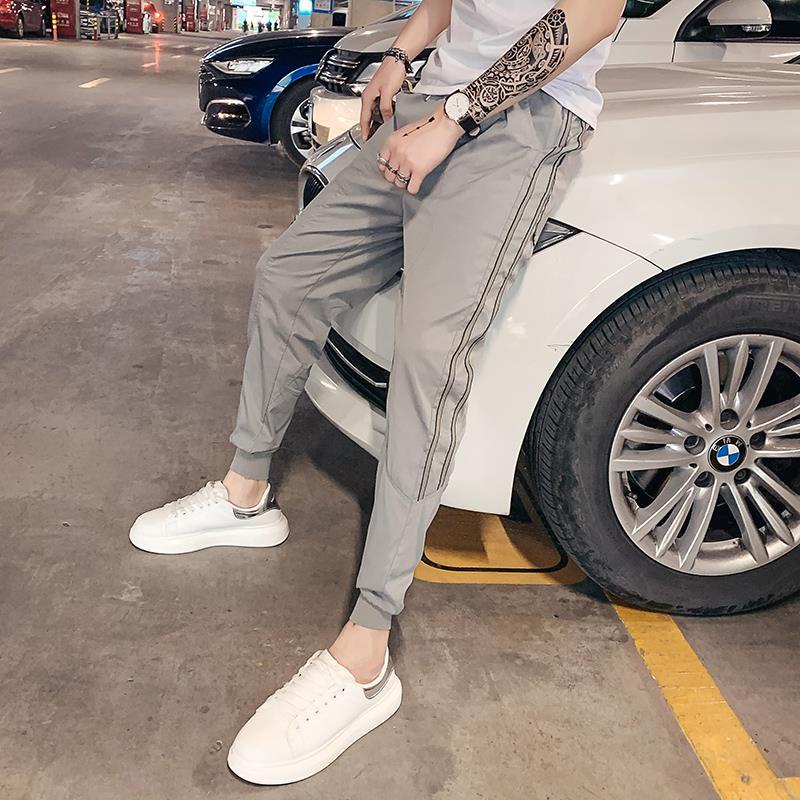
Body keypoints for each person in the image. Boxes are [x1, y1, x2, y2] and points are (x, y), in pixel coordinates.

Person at [130, 0, 625, 785]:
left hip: (522, 121)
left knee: (429, 362)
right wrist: (400, 55)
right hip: (431, 103)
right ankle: (246, 494)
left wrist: (454, 119)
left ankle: (366, 653)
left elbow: (591, 16)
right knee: (289, 277)